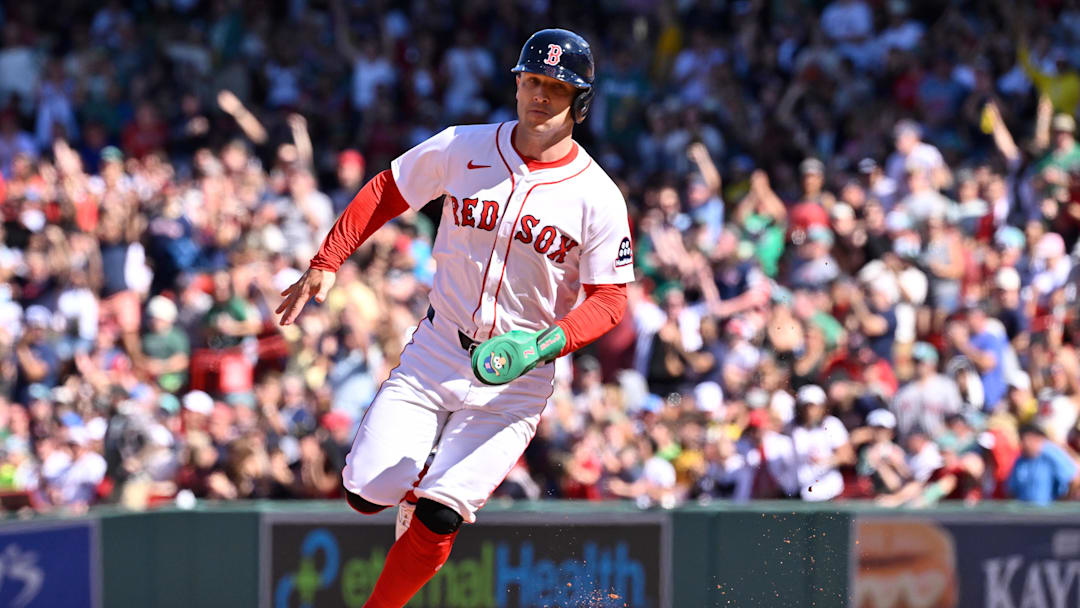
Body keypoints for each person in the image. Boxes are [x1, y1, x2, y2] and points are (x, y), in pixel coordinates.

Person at [276, 29, 633, 607]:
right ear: (517, 85)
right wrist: (328, 258)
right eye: (531, 82)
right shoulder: (462, 145)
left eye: (556, 88)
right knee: (366, 492)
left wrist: (546, 344)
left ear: (581, 101)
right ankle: (409, 490)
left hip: (518, 376)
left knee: (442, 513)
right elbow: (387, 190)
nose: (539, 96)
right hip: (438, 347)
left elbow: (610, 299)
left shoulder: (597, 196)